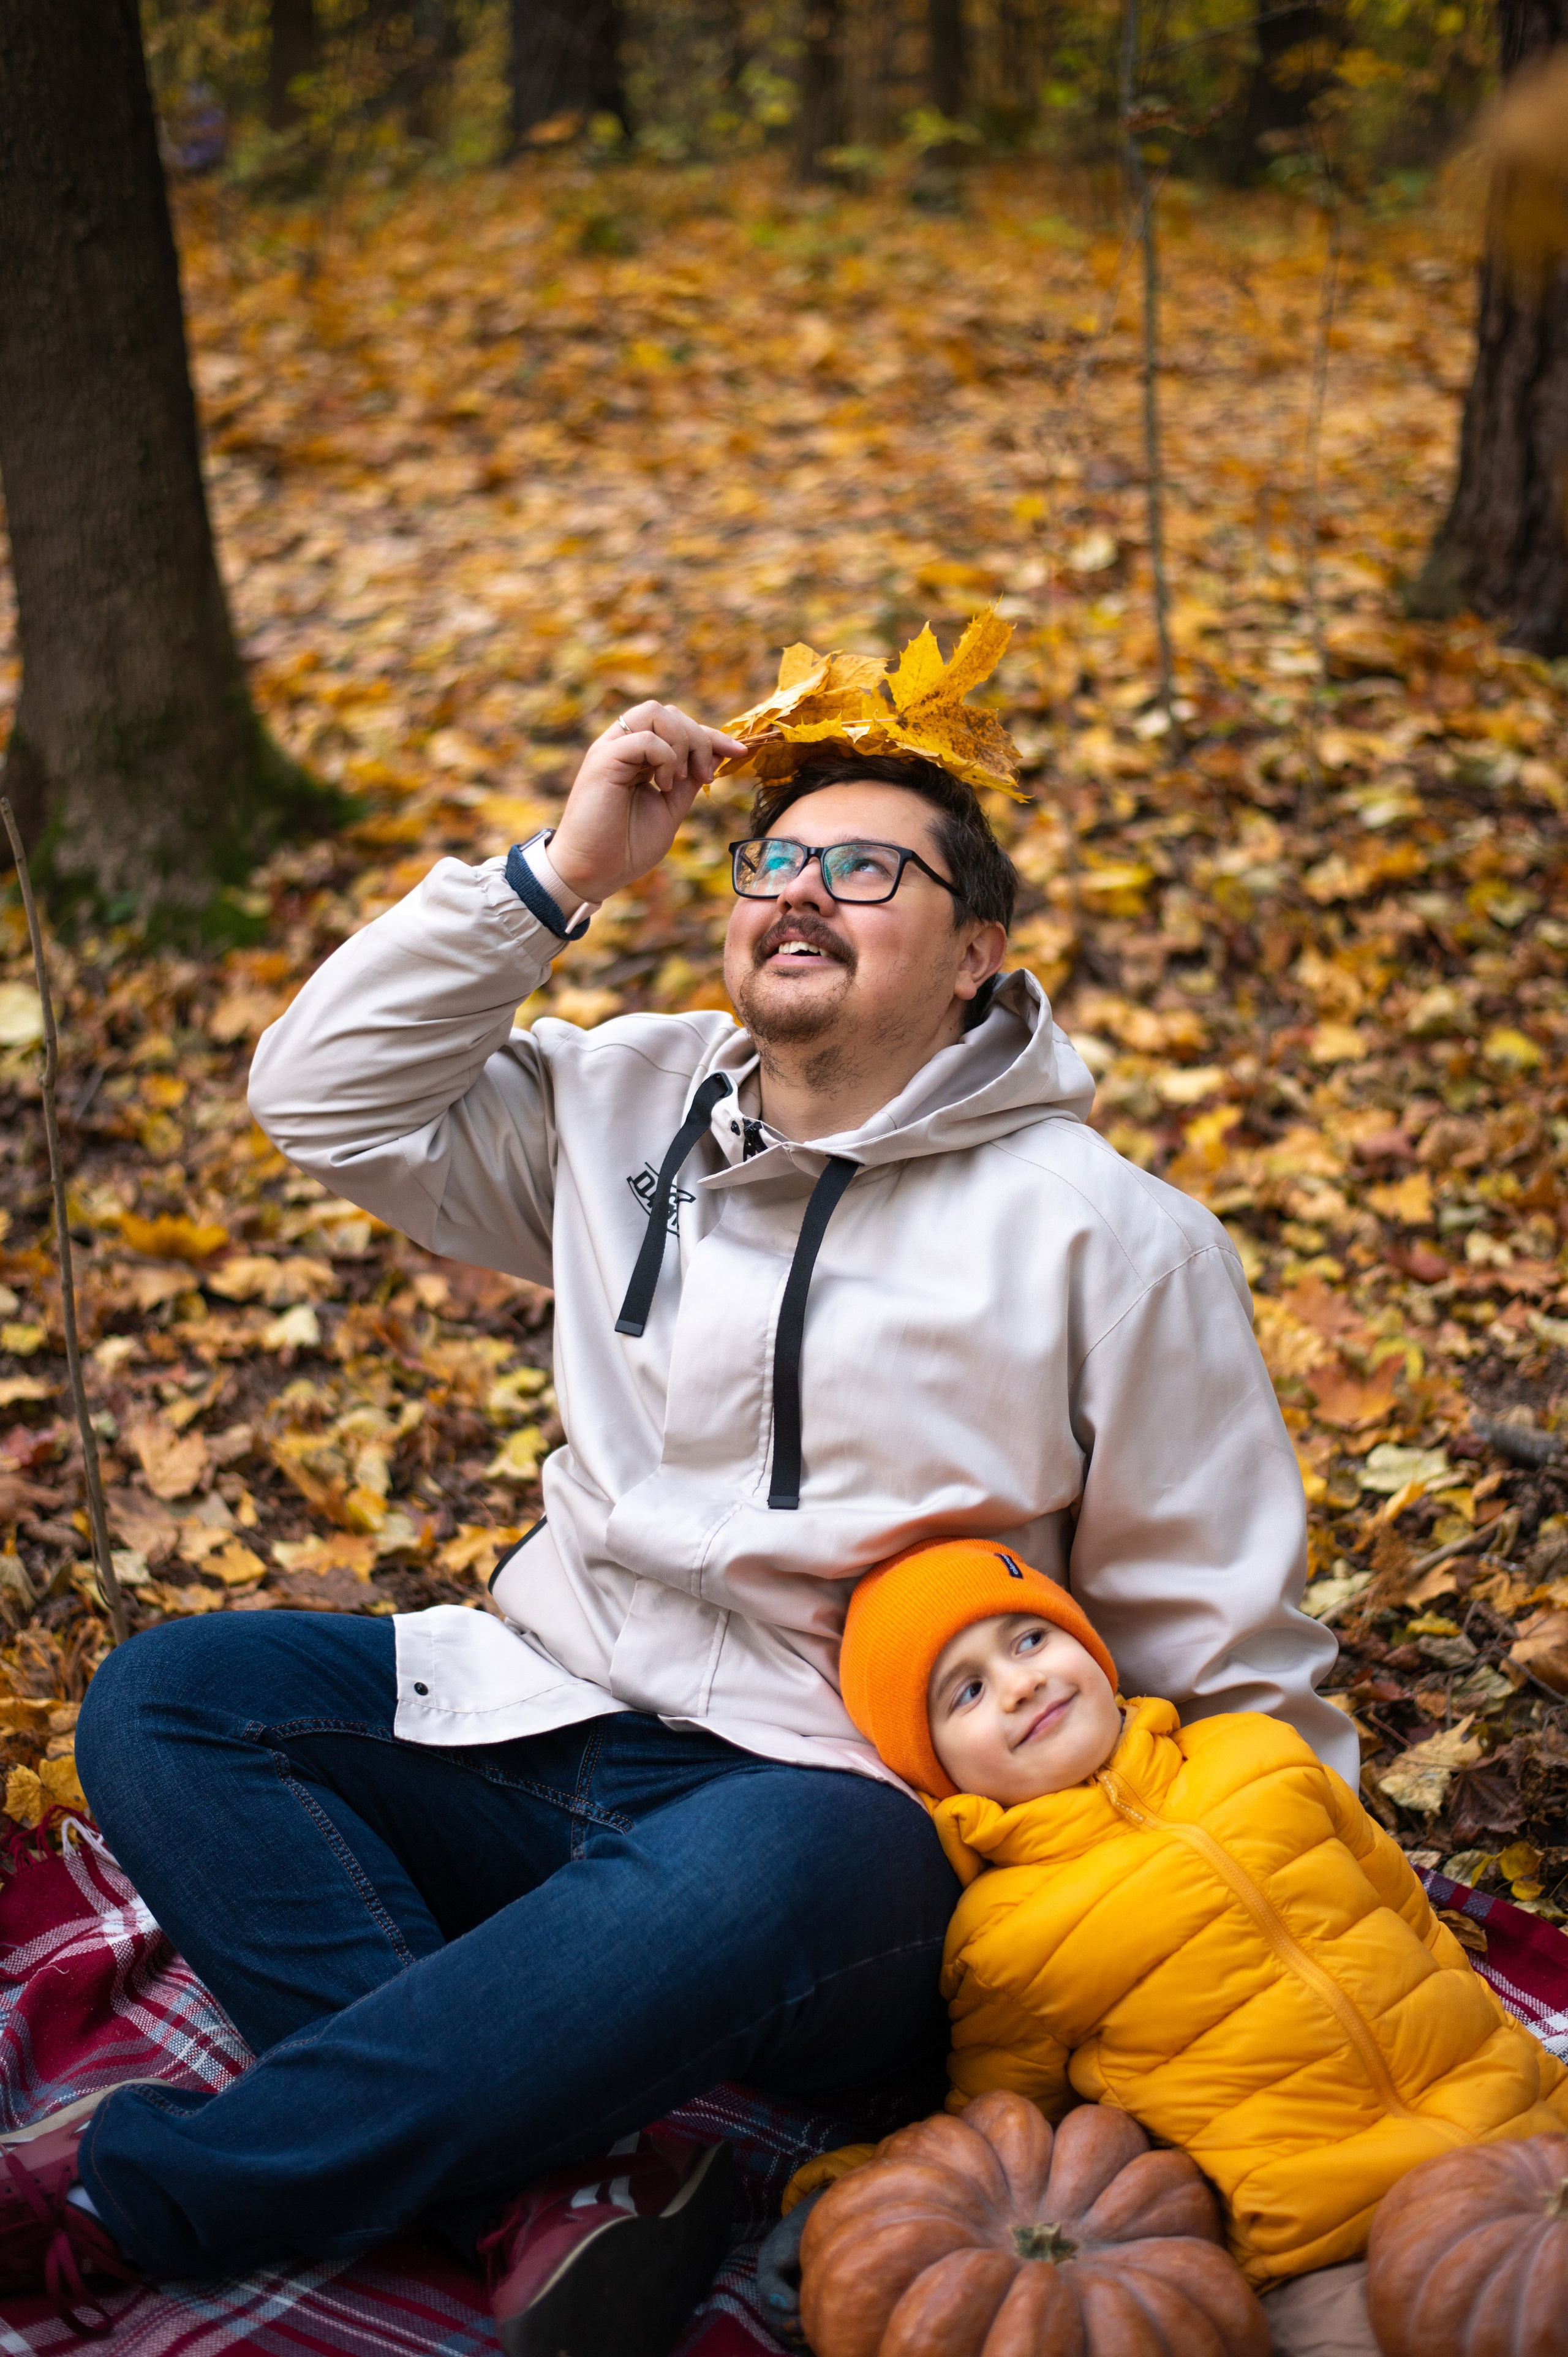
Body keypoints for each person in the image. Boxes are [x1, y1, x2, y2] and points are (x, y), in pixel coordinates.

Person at [1, 675, 1346, 2354]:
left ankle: (145, 2196)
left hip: (838, 1829)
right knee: (172, 1699)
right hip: (549, 1714)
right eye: (770, 858)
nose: (795, 890)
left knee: (770, 1860)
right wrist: (561, 871)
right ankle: (537, 2195)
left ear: (979, 948)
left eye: (866, 872)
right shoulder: (621, 1106)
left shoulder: (1112, 1241)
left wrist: (1297, 1945)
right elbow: (321, 1099)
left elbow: (1213, 1635)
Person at [788, 1535, 1568, 2355]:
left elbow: (1408, 1917)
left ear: (1089, 1647)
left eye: (1030, 1638)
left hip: (1522, 2142)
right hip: (1324, 2241)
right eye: (969, 1691)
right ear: (937, 1768)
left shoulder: (1259, 1755)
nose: (1021, 1684)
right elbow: (1001, 2137)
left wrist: (1514, 2067)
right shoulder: (1006, 1934)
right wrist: (856, 2194)